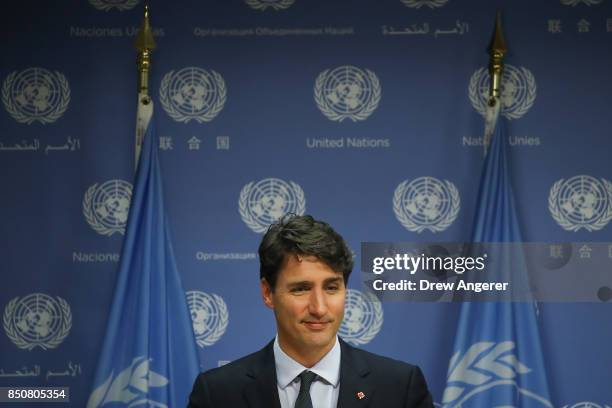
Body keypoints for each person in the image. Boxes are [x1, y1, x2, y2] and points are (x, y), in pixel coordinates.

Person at [188, 215, 433, 407]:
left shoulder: (400, 388)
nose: (319, 307)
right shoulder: (218, 394)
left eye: (332, 287)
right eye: (301, 289)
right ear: (267, 293)